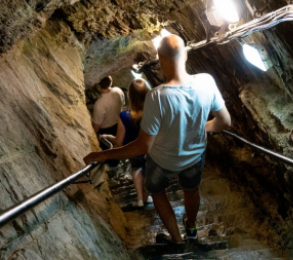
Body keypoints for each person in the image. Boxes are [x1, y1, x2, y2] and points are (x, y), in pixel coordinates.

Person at [84, 35, 231, 243]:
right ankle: (191, 228)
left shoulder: (157, 97)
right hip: (194, 157)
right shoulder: (207, 81)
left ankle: (178, 241)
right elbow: (225, 122)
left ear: (160, 60)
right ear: (186, 54)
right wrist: (203, 127)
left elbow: (143, 146)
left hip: (162, 161)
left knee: (157, 191)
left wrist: (102, 154)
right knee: (191, 189)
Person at [100, 78, 152, 208]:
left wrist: (107, 136)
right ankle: (147, 197)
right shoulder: (154, 112)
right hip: (151, 149)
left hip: (133, 150)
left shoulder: (124, 116)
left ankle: (140, 200)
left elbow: (118, 141)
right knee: (148, 170)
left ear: (130, 96)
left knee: (136, 169)